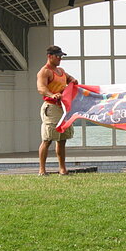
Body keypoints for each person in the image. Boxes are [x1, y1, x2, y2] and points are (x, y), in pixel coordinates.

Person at [36, 45, 78, 175]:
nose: (60, 58)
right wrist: (51, 94)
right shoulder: (44, 71)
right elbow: (41, 88)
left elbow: (69, 78)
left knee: (62, 139)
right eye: (58, 56)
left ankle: (62, 169)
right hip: (51, 107)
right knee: (47, 139)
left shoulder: (60, 70)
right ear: (50, 56)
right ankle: (42, 169)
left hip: (63, 107)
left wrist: (72, 81)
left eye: (61, 56)